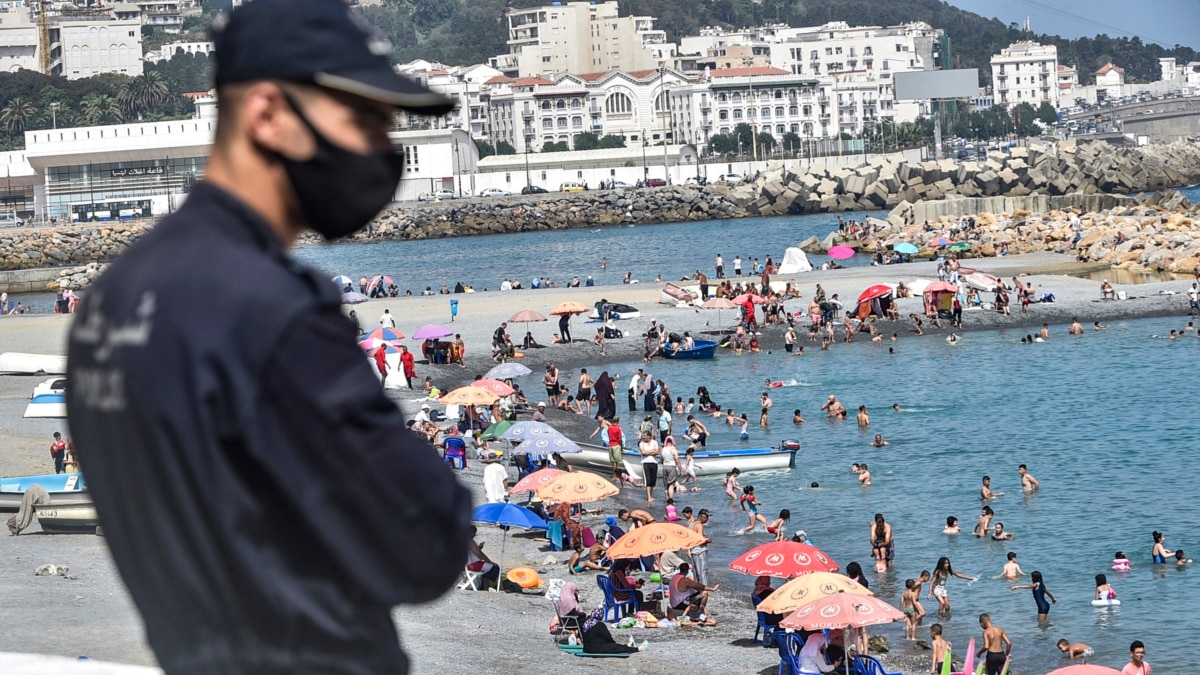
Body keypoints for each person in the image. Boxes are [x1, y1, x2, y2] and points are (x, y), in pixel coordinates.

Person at [64, 3, 472, 670]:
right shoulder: (269, 310)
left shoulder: (113, 297)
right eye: (363, 120)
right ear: (267, 114)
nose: (381, 150)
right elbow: (425, 540)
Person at [466, 525, 501, 590]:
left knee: (485, 567)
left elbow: (473, 551)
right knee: (495, 567)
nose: (474, 535)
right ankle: (501, 588)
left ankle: (486, 587)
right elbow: (480, 554)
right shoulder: (470, 542)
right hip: (472, 565)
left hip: (466, 565)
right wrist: (490, 561)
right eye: (474, 534)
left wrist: (479, 548)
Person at [690, 509, 713, 585]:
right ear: (701, 516)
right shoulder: (699, 525)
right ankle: (704, 591)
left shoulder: (691, 524)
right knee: (703, 572)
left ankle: (698, 591)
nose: (707, 519)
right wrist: (708, 540)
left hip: (693, 551)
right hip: (700, 551)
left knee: (696, 573)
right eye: (706, 517)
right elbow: (701, 540)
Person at [637, 431, 661, 504]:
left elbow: (657, 451)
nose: (643, 437)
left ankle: (651, 495)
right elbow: (643, 452)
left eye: (645, 435)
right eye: (643, 435)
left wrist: (649, 452)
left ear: (649, 436)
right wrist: (651, 451)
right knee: (648, 480)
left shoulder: (654, 442)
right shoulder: (642, 443)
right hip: (645, 463)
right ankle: (648, 496)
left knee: (653, 481)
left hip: (654, 462)